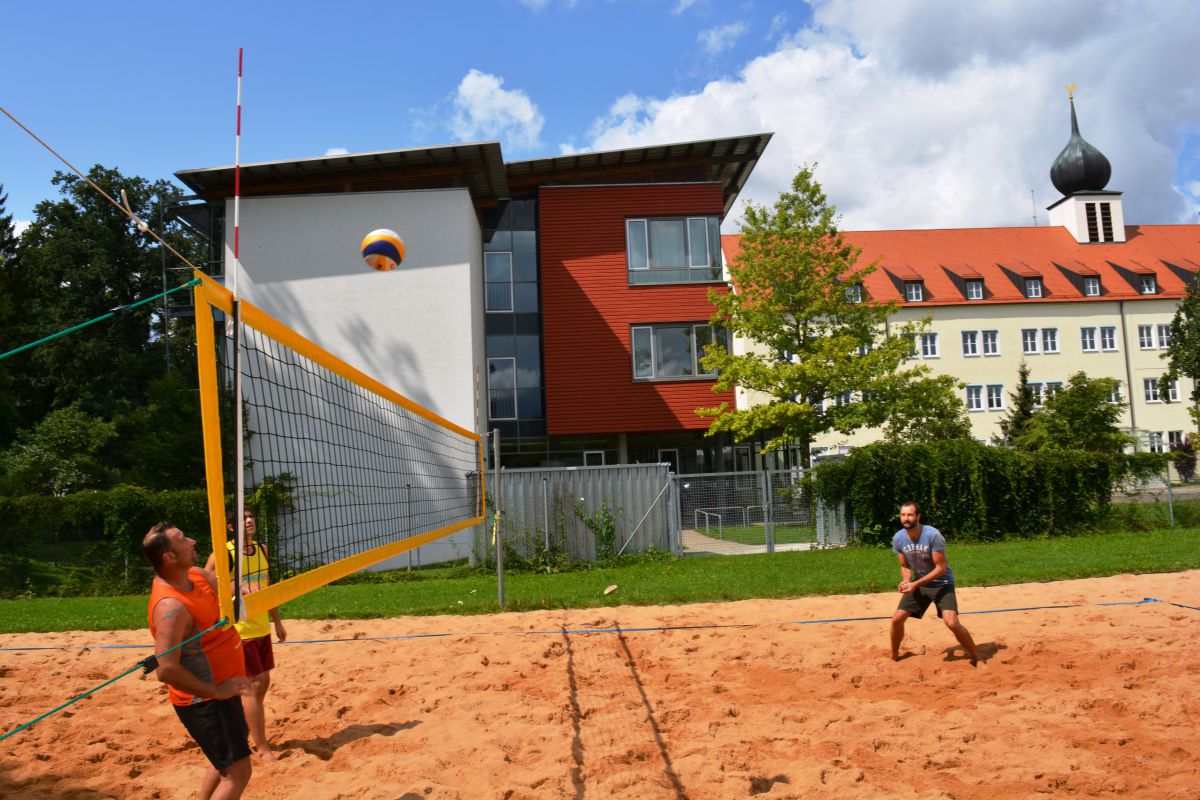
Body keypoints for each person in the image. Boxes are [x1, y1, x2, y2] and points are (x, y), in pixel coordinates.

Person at [143, 522, 252, 800]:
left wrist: (243, 591)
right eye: (182, 539)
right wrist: (217, 691)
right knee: (237, 773)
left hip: (224, 690)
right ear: (169, 557)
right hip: (206, 701)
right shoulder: (171, 606)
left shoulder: (195, 575)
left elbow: (224, 587)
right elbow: (166, 670)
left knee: (224, 765)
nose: (192, 541)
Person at [206, 508, 287, 763]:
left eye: (251, 517)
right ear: (231, 527)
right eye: (243, 518)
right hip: (240, 632)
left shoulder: (262, 549)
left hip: (261, 627)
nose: (250, 520)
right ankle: (262, 748)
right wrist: (234, 589)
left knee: (263, 684)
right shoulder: (224, 554)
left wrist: (277, 621)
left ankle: (242, 731)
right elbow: (205, 585)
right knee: (252, 687)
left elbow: (267, 588)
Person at [889, 501, 981, 665]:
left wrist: (915, 584)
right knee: (897, 619)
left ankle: (977, 657)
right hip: (920, 584)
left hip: (942, 583)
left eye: (910, 515)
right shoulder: (898, 538)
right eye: (902, 515)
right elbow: (904, 566)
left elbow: (941, 569)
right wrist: (906, 581)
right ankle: (894, 655)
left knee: (951, 622)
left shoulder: (932, 535)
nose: (906, 518)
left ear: (918, 516)